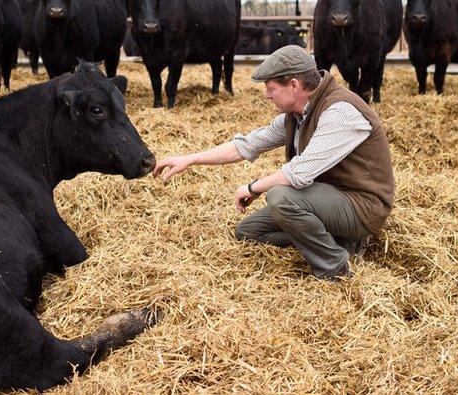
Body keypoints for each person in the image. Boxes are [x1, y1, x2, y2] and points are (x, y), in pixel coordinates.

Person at [153, 45, 395, 280]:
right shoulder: (297, 115)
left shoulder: (340, 111)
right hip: (325, 198)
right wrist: (190, 159)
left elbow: (298, 174)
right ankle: (339, 240)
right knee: (249, 232)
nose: (267, 96)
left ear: (294, 85)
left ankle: (334, 267)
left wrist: (253, 187)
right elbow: (247, 145)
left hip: (361, 205)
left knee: (280, 197)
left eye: (271, 89)